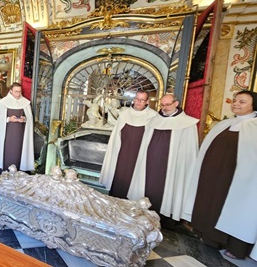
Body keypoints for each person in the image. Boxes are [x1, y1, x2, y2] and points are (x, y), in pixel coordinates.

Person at [183, 90, 257, 260]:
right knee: (212, 204)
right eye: (235, 100)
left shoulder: (255, 126)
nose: (236, 104)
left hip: (238, 181)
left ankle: (235, 247)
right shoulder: (225, 124)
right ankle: (209, 237)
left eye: (242, 102)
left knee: (234, 210)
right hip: (214, 176)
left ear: (254, 105)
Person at [127, 94, 199, 229]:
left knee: (168, 190)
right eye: (162, 105)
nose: (165, 108)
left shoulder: (188, 123)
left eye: (168, 105)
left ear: (176, 103)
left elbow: (188, 151)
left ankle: (165, 219)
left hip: (172, 166)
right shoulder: (153, 120)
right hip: (149, 163)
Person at [100, 90, 158, 198]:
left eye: (142, 100)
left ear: (147, 101)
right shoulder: (124, 114)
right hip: (122, 155)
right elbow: (116, 136)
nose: (138, 102)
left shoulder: (153, 116)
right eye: (136, 99)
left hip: (141, 156)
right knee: (118, 182)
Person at [0, 82, 34, 174]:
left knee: (19, 152)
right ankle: (4, 170)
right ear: (11, 91)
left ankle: (19, 171)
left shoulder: (25, 103)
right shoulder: (3, 102)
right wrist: (9, 119)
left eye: (20, 92)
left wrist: (24, 119)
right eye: (16, 92)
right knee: (8, 152)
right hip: (7, 133)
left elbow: (29, 119)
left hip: (20, 133)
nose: (18, 94)